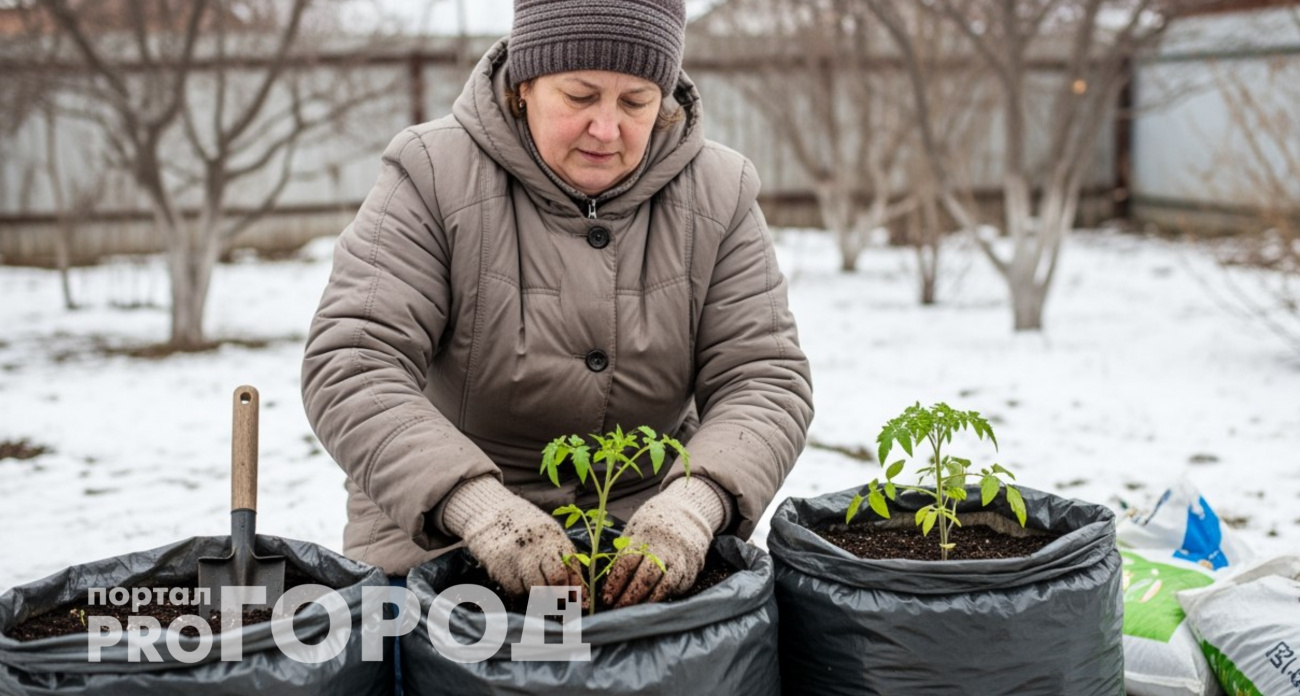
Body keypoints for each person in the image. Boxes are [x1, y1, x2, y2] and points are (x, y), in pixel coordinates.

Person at [301, 0, 813, 609]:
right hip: (437, 546)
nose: (607, 128)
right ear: (524, 86)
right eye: (579, 96)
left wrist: (694, 505)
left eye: (635, 102)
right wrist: (479, 509)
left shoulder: (719, 193)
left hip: (641, 547)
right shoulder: (433, 174)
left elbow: (764, 377)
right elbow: (354, 363)